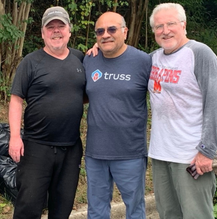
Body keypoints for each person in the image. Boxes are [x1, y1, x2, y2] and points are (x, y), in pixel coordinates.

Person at [148, 3, 217, 218]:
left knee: (196, 215)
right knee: (168, 214)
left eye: (171, 24)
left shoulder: (199, 53)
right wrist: (100, 51)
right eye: (159, 26)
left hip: (191, 156)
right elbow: (122, 62)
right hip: (161, 154)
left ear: (184, 25)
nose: (165, 30)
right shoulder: (153, 58)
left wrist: (207, 150)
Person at [8, 6, 85, 219]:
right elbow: (16, 99)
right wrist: (15, 137)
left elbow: (85, 92)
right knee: (28, 206)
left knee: (62, 208)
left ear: (69, 31)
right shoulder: (30, 62)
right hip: (36, 148)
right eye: (50, 27)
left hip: (70, 148)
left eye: (61, 26)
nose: (56, 31)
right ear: (43, 33)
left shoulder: (81, 59)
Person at [83, 11, 152, 219]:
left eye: (112, 29)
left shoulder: (143, 61)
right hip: (96, 153)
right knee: (96, 210)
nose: (106, 35)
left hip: (130, 152)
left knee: (135, 208)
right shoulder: (89, 60)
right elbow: (82, 95)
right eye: (100, 31)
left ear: (125, 31)